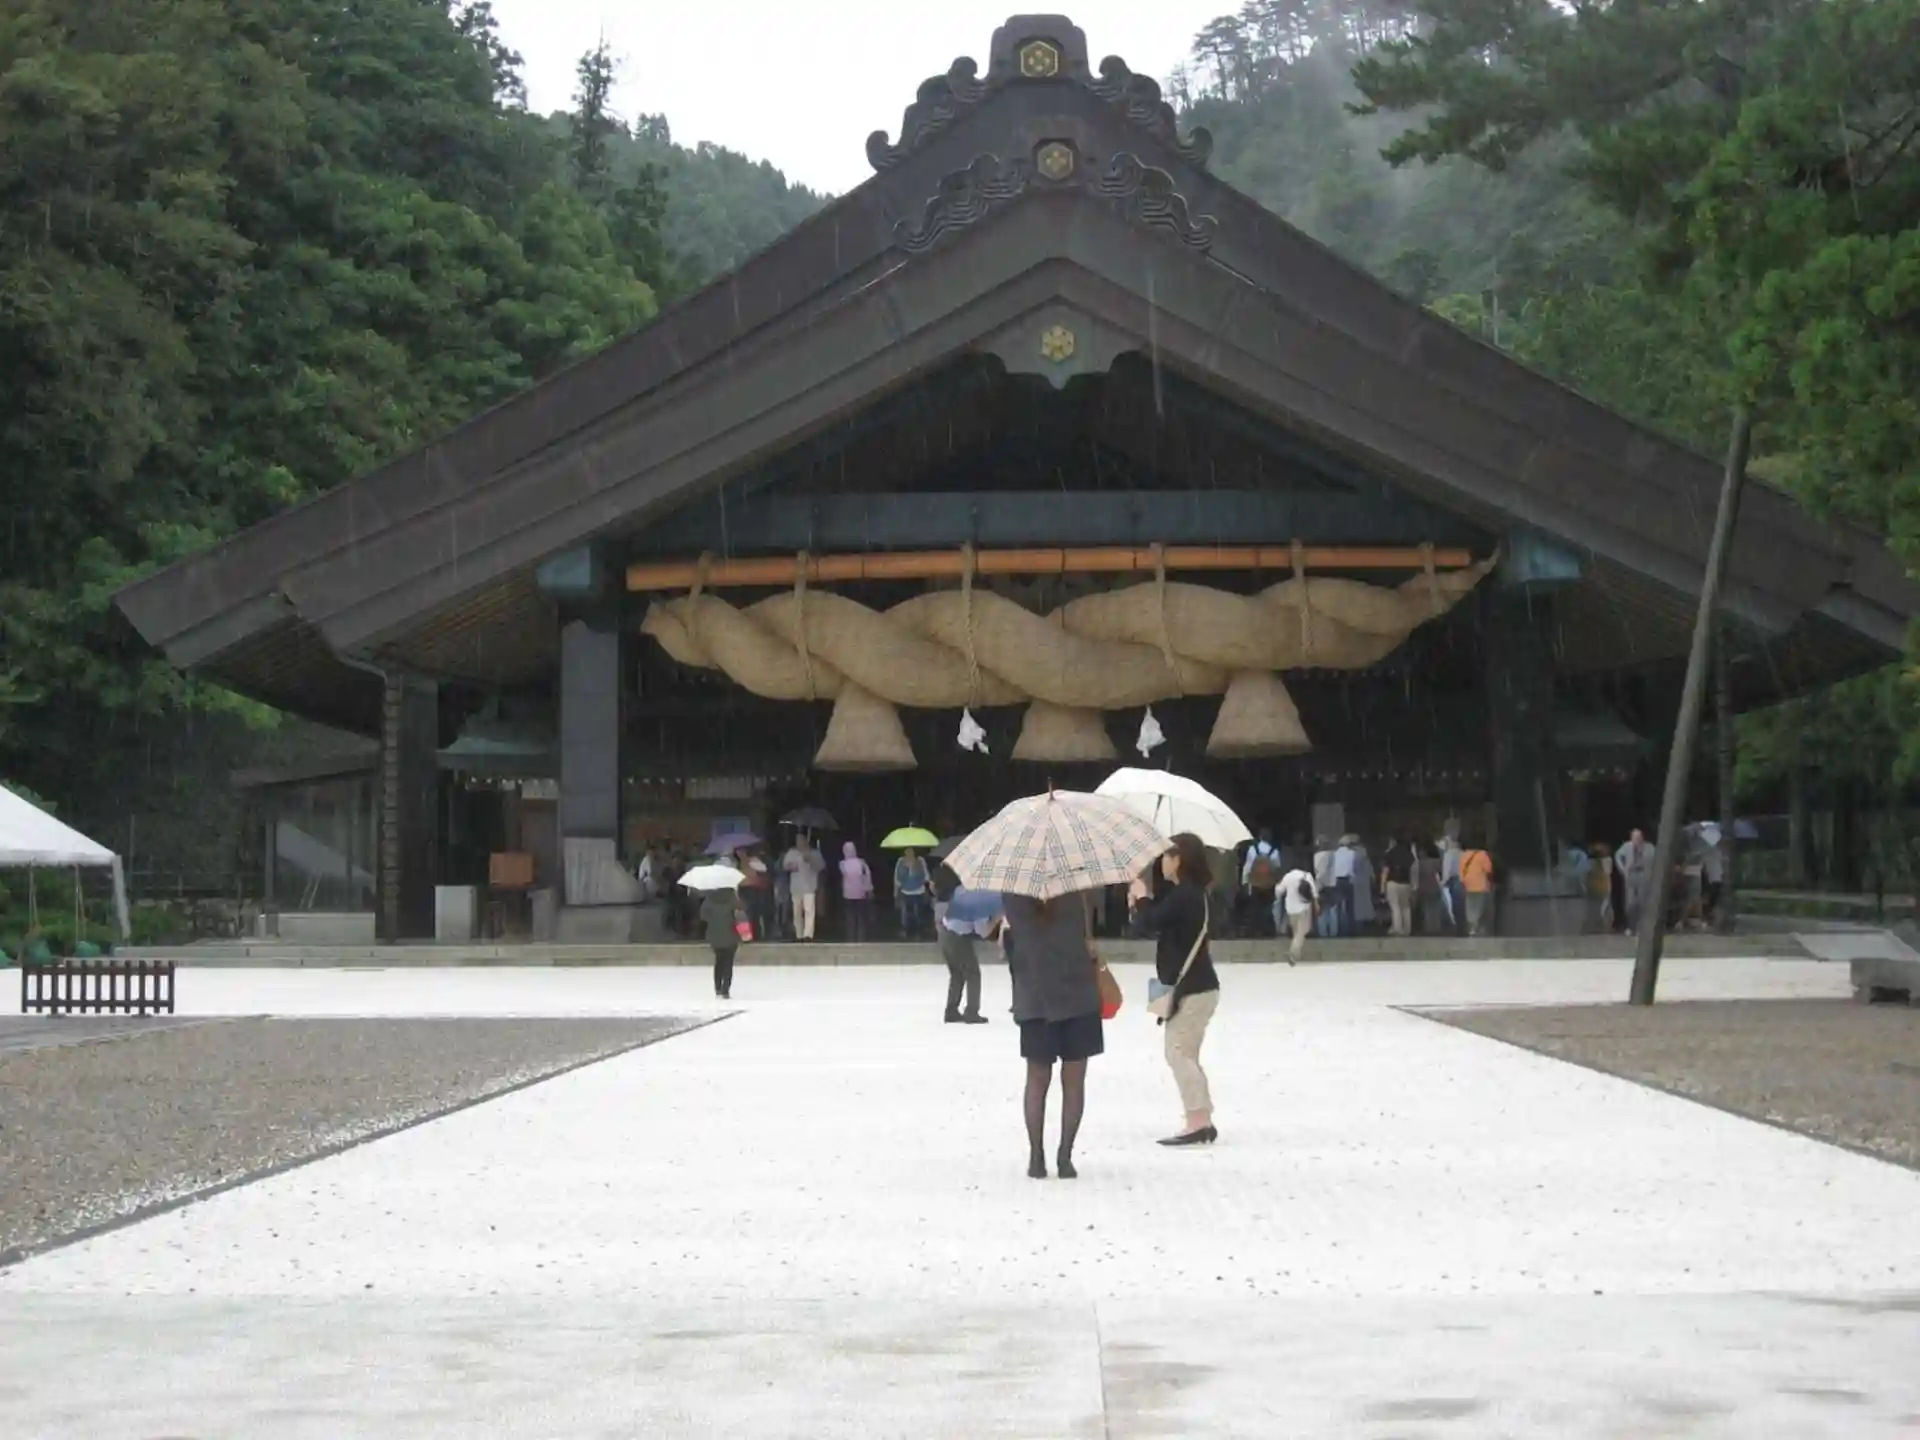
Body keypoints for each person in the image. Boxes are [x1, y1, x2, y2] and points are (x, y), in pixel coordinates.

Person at [1005, 887, 1105, 1179]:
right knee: (1074, 1081)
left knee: (1037, 1080)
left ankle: (1036, 1156)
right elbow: (1085, 940)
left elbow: (1012, 947)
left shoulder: (1014, 894)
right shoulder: (1076, 891)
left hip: (1034, 997)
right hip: (1078, 994)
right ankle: (1065, 1157)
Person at [1130, 833, 1222, 1147]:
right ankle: (1201, 1116)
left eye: (1165, 856)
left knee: (1178, 1052)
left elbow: (1150, 923)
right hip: (1193, 986)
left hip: (1192, 988)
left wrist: (1141, 898)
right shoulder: (1188, 894)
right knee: (1186, 1053)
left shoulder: (1186, 895)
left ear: (1178, 859)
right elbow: (1154, 921)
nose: (1161, 862)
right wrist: (1142, 902)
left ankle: (1198, 1120)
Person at [938, 896, 992, 1025]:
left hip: (945, 936)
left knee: (957, 974)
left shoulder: (961, 899)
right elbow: (982, 931)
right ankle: (972, 1011)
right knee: (973, 974)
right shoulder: (980, 905)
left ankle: (951, 1010)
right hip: (959, 938)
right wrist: (994, 922)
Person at [699, 885, 746, 999]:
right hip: (731, 934)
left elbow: (703, 916)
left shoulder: (709, 898)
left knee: (719, 961)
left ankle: (718, 988)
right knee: (728, 963)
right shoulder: (732, 897)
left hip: (715, 934)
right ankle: (726, 990)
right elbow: (741, 912)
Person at [1275, 851, 1317, 965]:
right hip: (1304, 908)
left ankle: (1297, 953)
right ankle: (1293, 954)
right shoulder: (1307, 875)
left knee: (1296, 932)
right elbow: (1314, 892)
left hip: (1290, 908)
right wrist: (1316, 905)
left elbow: (1279, 890)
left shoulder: (1288, 876)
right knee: (1302, 932)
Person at [782, 834, 827, 941]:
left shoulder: (814, 853)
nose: (799, 843)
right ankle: (799, 934)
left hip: (809, 886)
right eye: (798, 841)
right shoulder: (792, 853)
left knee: (809, 910)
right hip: (796, 887)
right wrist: (792, 865)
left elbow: (821, 866)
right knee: (797, 911)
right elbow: (785, 866)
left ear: (806, 841)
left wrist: (810, 860)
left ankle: (808, 934)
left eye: (801, 840)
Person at [1240, 829, 1282, 938]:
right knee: (1268, 907)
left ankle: (1254, 930)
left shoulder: (1253, 849)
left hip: (1255, 883)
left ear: (1260, 837)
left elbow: (1247, 867)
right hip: (1269, 884)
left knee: (1255, 907)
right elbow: (1277, 868)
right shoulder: (1275, 851)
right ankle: (1268, 931)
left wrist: (1245, 882)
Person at [1618, 828, 1656, 936]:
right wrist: (1623, 869)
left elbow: (1656, 858)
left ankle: (1641, 927)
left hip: (1643, 875)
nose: (1636, 840)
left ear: (1642, 838)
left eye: (1638, 837)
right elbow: (1618, 856)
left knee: (1642, 901)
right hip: (1630, 874)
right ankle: (1631, 926)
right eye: (1634, 838)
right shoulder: (1627, 846)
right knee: (1630, 902)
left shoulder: (1649, 847)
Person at [1380, 835, 1415, 937]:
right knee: (1406, 907)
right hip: (1406, 883)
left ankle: (1398, 928)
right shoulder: (1409, 855)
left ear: (1393, 842)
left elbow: (1385, 871)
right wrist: (1413, 885)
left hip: (1393, 882)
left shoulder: (1389, 854)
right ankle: (1407, 929)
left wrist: (1382, 887)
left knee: (1395, 907)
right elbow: (1413, 870)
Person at [1459, 840, 1496, 936]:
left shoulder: (1464, 855)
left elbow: (1461, 871)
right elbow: (1489, 869)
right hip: (1480, 885)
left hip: (1468, 885)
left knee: (1470, 907)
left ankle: (1471, 928)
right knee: (1480, 907)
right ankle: (1478, 928)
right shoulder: (1483, 854)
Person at [839, 841, 874, 941]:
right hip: (861, 893)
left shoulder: (842, 864)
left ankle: (850, 938)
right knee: (861, 917)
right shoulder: (861, 863)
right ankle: (861, 938)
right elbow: (867, 876)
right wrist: (869, 889)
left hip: (848, 894)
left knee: (850, 917)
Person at [894, 847, 931, 938]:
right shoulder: (901, 861)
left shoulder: (920, 860)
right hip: (905, 891)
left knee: (918, 912)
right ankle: (907, 930)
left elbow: (926, 875)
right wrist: (897, 889)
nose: (909, 853)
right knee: (907, 912)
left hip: (919, 890)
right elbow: (897, 876)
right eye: (907, 851)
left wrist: (915, 869)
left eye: (911, 851)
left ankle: (918, 931)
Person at [1331, 834, 1359, 937]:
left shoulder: (1335, 854)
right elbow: (1353, 867)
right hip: (1348, 879)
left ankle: (1339, 929)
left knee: (1339, 906)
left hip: (1338, 880)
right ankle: (1351, 929)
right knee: (1350, 906)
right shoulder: (1352, 853)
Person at [1312, 836, 1339, 937]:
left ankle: (1323, 932)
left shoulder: (1319, 855)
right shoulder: (1334, 854)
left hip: (1323, 885)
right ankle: (1334, 931)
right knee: (1333, 909)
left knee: (1322, 910)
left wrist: (1317, 885)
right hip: (1334, 884)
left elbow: (1320, 872)